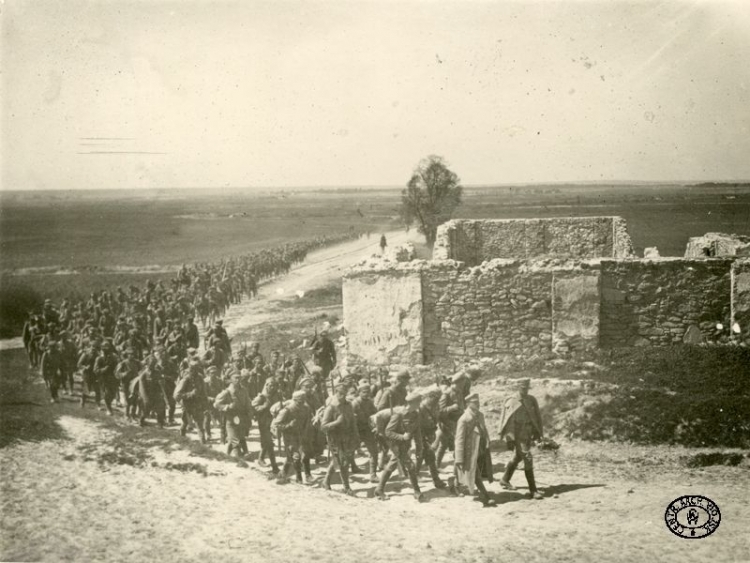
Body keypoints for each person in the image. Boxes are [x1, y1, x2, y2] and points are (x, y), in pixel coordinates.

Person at [498, 378, 544, 500]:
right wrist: (510, 439)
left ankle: (505, 479)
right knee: (527, 457)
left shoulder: (531, 400)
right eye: (523, 388)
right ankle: (533, 490)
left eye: (527, 388)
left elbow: (536, 417)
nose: (525, 391)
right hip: (517, 435)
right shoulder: (512, 401)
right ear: (518, 387)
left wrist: (538, 432)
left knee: (518, 456)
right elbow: (507, 421)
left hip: (528, 433)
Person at [374, 392, 424, 502]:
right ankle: (417, 491)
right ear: (412, 403)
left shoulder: (415, 414)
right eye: (418, 402)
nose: (419, 404)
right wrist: (402, 437)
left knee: (392, 464)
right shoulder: (399, 414)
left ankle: (379, 489)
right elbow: (388, 432)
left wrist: (420, 446)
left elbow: (417, 431)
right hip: (396, 444)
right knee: (410, 466)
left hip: (405, 444)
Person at [454, 393, 496, 507]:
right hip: (469, 451)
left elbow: (484, 429)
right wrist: (459, 458)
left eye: (478, 402)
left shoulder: (480, 415)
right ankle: (485, 496)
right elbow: (459, 439)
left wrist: (487, 440)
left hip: (480, 449)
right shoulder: (464, 419)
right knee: (474, 472)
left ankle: (455, 484)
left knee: (473, 471)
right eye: (475, 402)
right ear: (468, 404)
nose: (478, 404)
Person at [320, 382, 359, 495]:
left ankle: (326, 481)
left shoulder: (348, 405)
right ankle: (346, 487)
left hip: (347, 437)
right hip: (335, 439)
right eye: (340, 393)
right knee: (343, 462)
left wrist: (356, 437)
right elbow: (323, 427)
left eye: (344, 393)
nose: (342, 396)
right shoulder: (331, 408)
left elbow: (353, 422)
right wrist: (336, 423)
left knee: (338, 461)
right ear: (336, 393)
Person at [273, 390, 312, 485]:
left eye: (303, 400)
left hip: (302, 435)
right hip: (290, 437)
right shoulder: (287, 410)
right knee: (296, 457)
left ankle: (283, 474)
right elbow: (276, 425)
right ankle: (299, 478)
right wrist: (289, 425)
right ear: (295, 400)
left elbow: (308, 421)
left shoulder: (306, 408)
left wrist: (307, 431)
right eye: (300, 401)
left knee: (300, 455)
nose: (302, 402)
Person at [214, 371, 254, 457]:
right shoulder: (227, 392)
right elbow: (216, 404)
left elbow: (248, 403)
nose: (238, 379)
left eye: (239, 377)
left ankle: (232, 452)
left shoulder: (244, 390)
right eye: (235, 378)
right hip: (231, 419)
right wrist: (228, 407)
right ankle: (235, 456)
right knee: (234, 441)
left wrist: (250, 414)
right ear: (231, 379)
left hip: (242, 418)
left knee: (241, 437)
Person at [418, 387, 447, 490]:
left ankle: (415, 474)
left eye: (439, 398)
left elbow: (438, 419)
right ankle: (436, 480)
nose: (437, 400)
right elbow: (418, 426)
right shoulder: (421, 407)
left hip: (430, 434)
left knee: (422, 456)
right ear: (430, 396)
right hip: (421, 435)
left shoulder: (435, 406)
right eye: (436, 398)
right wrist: (423, 440)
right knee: (429, 456)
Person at [351, 381, 379, 483]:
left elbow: (375, 414)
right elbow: (351, 419)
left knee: (374, 452)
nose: (366, 394)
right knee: (350, 452)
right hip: (356, 430)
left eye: (368, 392)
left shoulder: (370, 402)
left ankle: (373, 475)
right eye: (364, 392)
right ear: (359, 392)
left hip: (367, 430)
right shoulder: (354, 403)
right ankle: (352, 467)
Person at [253, 378, 281, 474]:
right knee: (269, 443)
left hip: (273, 422)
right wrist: (264, 407)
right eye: (270, 385)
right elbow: (253, 408)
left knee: (267, 441)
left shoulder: (277, 395)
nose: (272, 387)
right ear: (266, 386)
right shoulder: (262, 397)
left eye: (274, 385)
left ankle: (260, 458)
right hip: (263, 422)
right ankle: (274, 467)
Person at [175, 362, 208, 443]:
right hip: (187, 405)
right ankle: (182, 435)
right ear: (190, 369)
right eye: (193, 369)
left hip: (197, 403)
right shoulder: (186, 379)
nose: (195, 371)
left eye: (196, 369)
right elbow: (177, 395)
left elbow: (204, 391)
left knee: (199, 422)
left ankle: (202, 440)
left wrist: (205, 402)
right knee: (185, 422)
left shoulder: (200, 377)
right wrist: (190, 394)